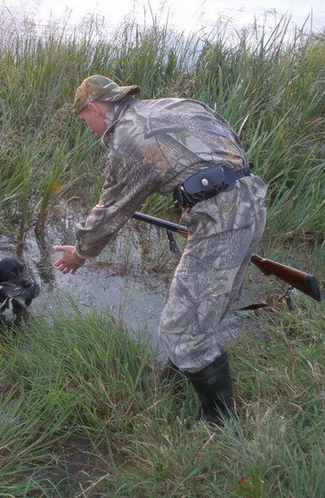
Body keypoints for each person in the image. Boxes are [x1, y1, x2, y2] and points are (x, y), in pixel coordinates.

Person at [53, 75, 267, 424]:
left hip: (221, 217)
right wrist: (204, 201)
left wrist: (81, 252)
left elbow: (113, 207)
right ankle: (172, 380)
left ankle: (219, 421)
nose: (87, 127)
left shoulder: (127, 138)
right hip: (251, 197)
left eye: (84, 120)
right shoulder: (173, 105)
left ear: (93, 108)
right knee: (199, 310)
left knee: (180, 327)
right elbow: (222, 145)